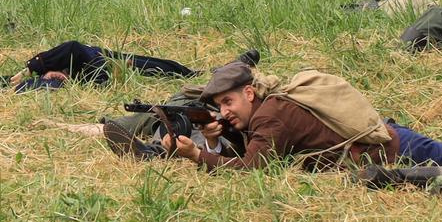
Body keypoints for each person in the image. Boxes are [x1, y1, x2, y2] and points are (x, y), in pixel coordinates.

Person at [157, 59, 397, 173]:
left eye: (228, 102)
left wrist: (197, 154)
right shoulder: (261, 112)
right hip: (379, 150)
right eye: (220, 106)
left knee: (436, 161)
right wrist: (212, 142)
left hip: (395, 148)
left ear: (249, 93)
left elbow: (252, 168)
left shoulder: (270, 114)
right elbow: (250, 153)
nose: (224, 112)